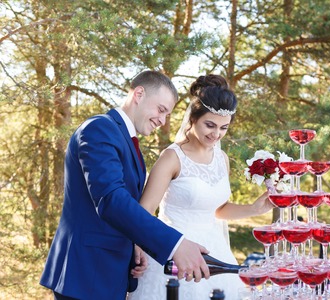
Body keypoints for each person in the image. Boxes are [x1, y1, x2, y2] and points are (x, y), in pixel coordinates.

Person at [40, 70, 211, 300]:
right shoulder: (99, 129)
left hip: (107, 273)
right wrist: (175, 245)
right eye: (161, 110)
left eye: (167, 115)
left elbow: (123, 208)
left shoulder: (125, 139)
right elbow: (111, 200)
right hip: (85, 275)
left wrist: (134, 246)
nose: (162, 120)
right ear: (139, 94)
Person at [127, 75, 274, 300]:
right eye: (210, 125)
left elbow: (218, 209)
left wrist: (254, 209)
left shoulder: (221, 158)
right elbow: (144, 212)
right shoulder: (171, 158)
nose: (216, 134)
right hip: (174, 254)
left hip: (216, 253)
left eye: (224, 128)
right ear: (193, 119)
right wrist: (137, 249)